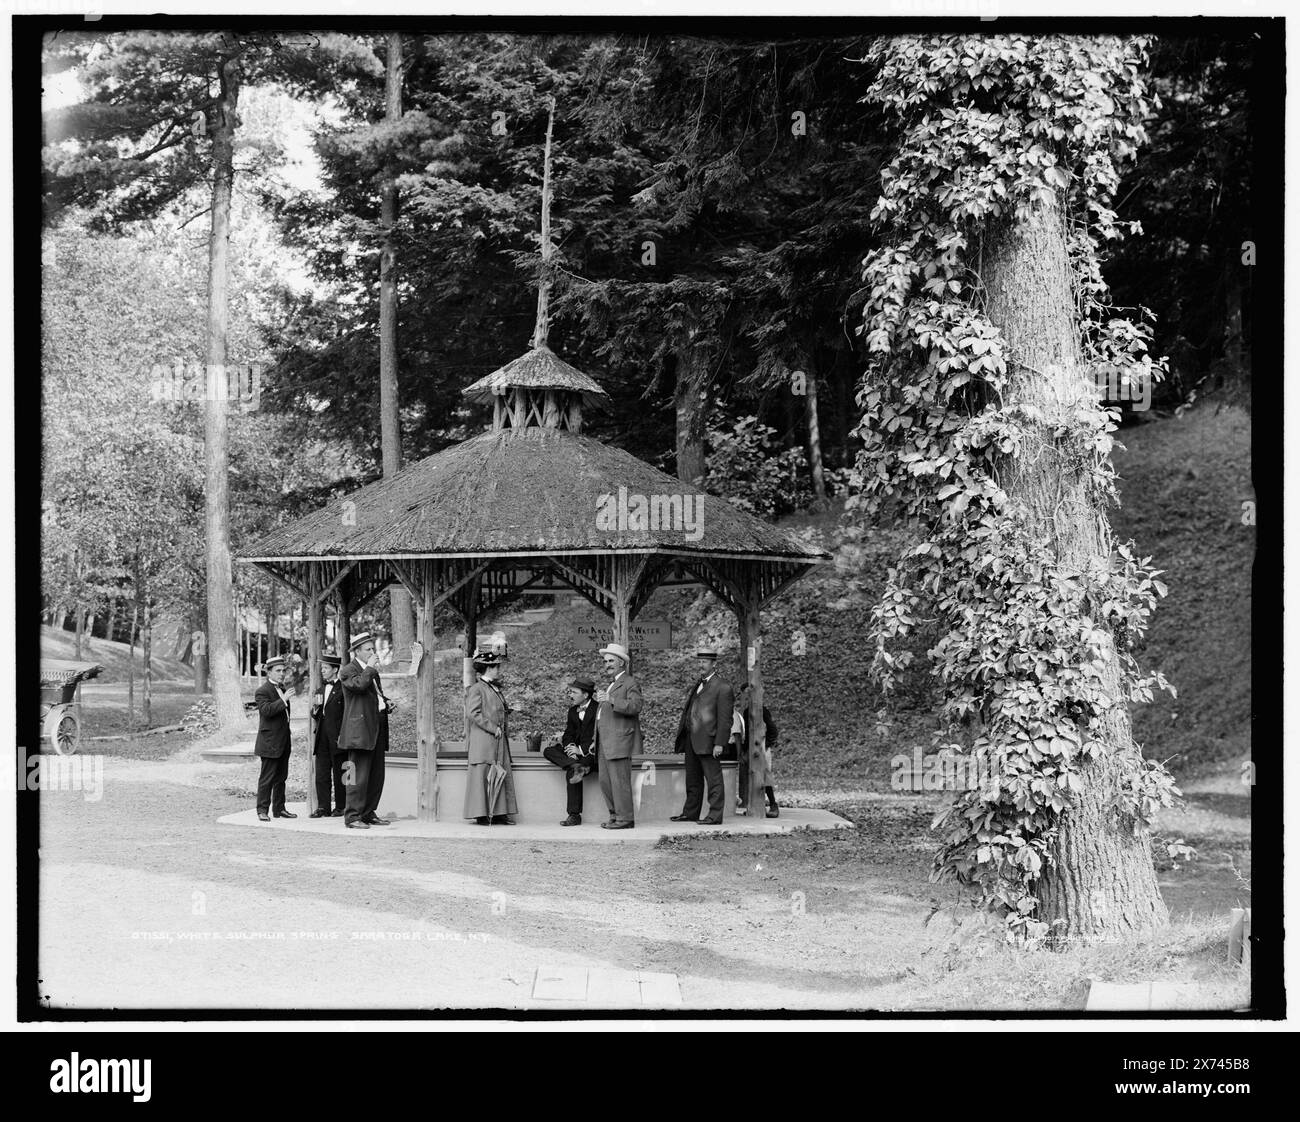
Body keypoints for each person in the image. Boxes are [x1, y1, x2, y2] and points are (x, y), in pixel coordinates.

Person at [671, 646, 733, 826]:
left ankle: (714, 815)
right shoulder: (699, 683)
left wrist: (719, 743)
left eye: (705, 662)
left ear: (714, 664)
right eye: (699, 661)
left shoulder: (723, 687)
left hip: (709, 740)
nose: (701, 665)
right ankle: (690, 813)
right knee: (692, 779)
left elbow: (725, 719)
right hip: (692, 739)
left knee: (713, 779)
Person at [339, 632, 393, 830]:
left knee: (376, 774)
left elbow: (373, 696)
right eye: (368, 649)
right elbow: (360, 686)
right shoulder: (347, 670)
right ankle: (352, 816)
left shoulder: (372, 672)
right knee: (357, 776)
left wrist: (386, 703)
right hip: (359, 730)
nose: (373, 652)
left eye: (373, 648)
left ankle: (368, 812)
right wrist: (370, 667)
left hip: (376, 725)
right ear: (357, 652)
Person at [463, 649, 517, 824]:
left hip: (497, 739)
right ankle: (481, 814)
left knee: (499, 772)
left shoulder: (493, 688)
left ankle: (499, 812)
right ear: (488, 668)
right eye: (496, 667)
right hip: (484, 739)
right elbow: (473, 713)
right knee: (483, 774)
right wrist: (493, 727)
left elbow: (492, 709)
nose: (498, 670)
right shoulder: (477, 688)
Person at [594, 642, 642, 830]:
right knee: (606, 781)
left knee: (619, 782)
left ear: (622, 662)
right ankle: (615, 815)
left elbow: (636, 706)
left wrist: (612, 700)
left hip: (619, 741)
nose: (607, 664)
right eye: (605, 661)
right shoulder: (612, 684)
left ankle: (625, 818)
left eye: (611, 660)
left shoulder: (630, 682)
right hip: (605, 741)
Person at [541, 676, 598, 826]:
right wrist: (570, 749)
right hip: (574, 754)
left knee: (573, 772)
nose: (570, 695)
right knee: (548, 750)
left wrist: (579, 750)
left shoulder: (599, 709)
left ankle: (574, 815)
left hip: (590, 754)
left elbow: (601, 736)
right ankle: (573, 764)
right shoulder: (572, 711)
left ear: (585, 695)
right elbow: (568, 734)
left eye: (573, 692)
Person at [253, 656, 296, 822]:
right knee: (267, 778)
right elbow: (267, 711)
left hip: (284, 740)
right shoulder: (262, 691)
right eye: (278, 671)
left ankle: (279, 808)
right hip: (269, 742)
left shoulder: (282, 688)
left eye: (283, 670)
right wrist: (283, 700)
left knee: (281, 777)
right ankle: (262, 810)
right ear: (268, 672)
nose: (282, 673)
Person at [732, 682, 780, 818]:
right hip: (751, 749)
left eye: (749, 693)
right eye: (745, 695)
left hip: (762, 748)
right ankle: (753, 805)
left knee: (765, 776)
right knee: (752, 776)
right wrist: (745, 750)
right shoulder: (747, 711)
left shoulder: (762, 710)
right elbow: (747, 734)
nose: (747, 697)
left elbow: (773, 730)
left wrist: (766, 745)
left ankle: (773, 804)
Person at [309, 654, 346, 818]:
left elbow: (346, 715)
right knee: (322, 774)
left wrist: (343, 736)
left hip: (337, 737)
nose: (322, 671)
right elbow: (316, 714)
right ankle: (323, 807)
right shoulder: (320, 689)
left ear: (335, 669)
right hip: (322, 738)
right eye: (322, 668)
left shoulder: (344, 689)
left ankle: (341, 807)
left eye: (325, 668)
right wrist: (315, 709)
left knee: (340, 774)